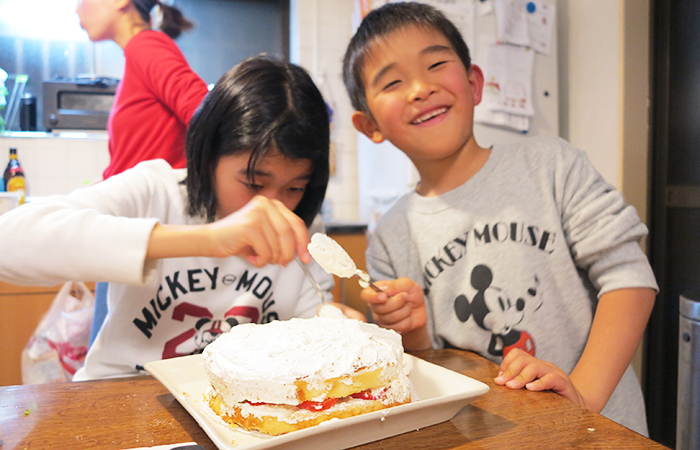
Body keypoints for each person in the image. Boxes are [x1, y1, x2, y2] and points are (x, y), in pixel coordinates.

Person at [342, 2, 657, 435]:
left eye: (436, 63)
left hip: (601, 430)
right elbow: (422, 368)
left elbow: (629, 278)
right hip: (491, 437)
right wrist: (412, 331)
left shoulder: (551, 165)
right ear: (369, 125)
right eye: (394, 81)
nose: (420, 88)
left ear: (474, 84)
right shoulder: (391, 237)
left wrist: (581, 399)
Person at [0, 55, 361, 381]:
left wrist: (331, 323)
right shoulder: (155, 189)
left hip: (235, 403)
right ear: (208, 156)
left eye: (294, 188)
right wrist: (210, 238)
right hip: (123, 394)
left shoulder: (300, 225)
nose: (275, 206)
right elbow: (10, 242)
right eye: (253, 183)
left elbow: (304, 316)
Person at [76, 0, 209, 179]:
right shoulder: (140, 51)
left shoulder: (145, 45)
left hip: (148, 202)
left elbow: (206, 113)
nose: (76, 10)